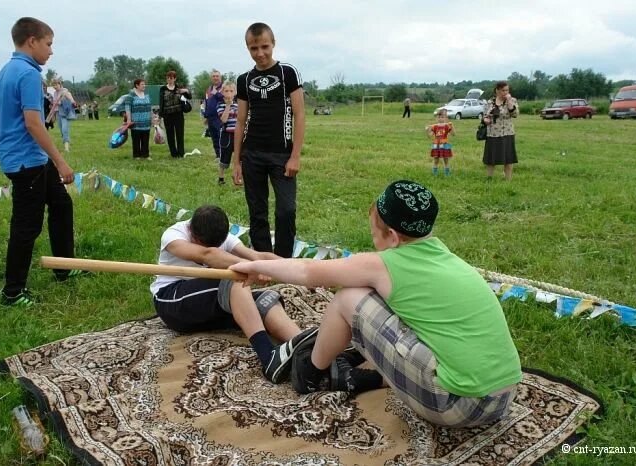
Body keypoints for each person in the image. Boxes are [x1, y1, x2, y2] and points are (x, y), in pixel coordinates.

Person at [231, 180, 522, 428]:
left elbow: (309, 271)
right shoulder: (446, 258)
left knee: (348, 298)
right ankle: (349, 368)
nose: (372, 243)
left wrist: (259, 267)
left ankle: (309, 372)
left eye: (374, 234)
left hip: (456, 405)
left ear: (393, 237)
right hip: (502, 401)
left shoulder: (384, 264)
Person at [151, 204, 318, 383]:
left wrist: (302, 274)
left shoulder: (223, 238)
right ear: (191, 230)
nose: (215, 246)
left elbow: (258, 257)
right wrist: (249, 268)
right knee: (235, 278)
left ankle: (313, 356)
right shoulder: (174, 235)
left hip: (208, 306)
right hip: (173, 302)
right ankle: (268, 356)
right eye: (203, 242)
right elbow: (208, 254)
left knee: (265, 300)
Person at [0, 17, 82, 306]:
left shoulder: (5, 71)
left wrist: (8, 133)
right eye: (49, 44)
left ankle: (63, 268)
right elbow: (34, 124)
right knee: (27, 225)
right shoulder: (27, 74)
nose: (51, 51)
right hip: (28, 162)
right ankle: (13, 292)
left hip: (31, 159)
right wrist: (61, 162)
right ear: (32, 41)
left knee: (62, 205)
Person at [232, 22, 305, 258]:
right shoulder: (244, 79)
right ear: (247, 48)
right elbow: (240, 121)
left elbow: (299, 114)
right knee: (257, 211)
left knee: (286, 210)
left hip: (282, 155)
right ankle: (263, 260)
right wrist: (237, 161)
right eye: (254, 48)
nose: (260, 53)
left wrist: (295, 156)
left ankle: (284, 261)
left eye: (264, 46)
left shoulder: (288, 73)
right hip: (252, 154)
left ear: (273, 44)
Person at [482, 80, 519, 180]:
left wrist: (509, 101)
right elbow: (485, 116)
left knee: (508, 158)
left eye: (507, 90)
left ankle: (508, 179)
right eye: (503, 90)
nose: (506, 92)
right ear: (497, 91)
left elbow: (515, 114)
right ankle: (489, 178)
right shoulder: (490, 102)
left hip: (507, 133)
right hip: (493, 133)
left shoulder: (512, 100)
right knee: (491, 158)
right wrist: (485, 120)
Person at [158, 70, 191, 158]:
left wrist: (186, 91)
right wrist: (160, 115)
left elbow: (189, 97)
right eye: (168, 78)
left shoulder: (179, 88)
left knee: (180, 134)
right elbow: (161, 102)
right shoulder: (163, 89)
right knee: (170, 135)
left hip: (178, 114)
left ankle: (181, 153)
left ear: (175, 79)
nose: (169, 80)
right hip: (167, 115)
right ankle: (173, 153)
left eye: (171, 78)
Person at [216, 81, 237, 185]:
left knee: (240, 157)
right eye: (226, 91)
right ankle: (221, 178)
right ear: (222, 92)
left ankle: (238, 177)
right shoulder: (220, 105)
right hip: (227, 135)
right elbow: (223, 120)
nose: (229, 93)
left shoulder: (239, 105)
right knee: (225, 156)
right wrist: (228, 105)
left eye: (231, 91)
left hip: (238, 135)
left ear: (235, 92)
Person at [124, 78, 152, 159]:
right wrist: (129, 119)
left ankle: (145, 155)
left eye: (144, 84)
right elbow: (127, 108)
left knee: (145, 139)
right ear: (137, 85)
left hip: (146, 122)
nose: (144, 86)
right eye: (142, 84)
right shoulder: (131, 95)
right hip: (135, 123)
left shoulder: (146, 95)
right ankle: (136, 155)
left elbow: (150, 107)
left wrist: (152, 118)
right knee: (136, 140)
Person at [48, 78, 76, 152]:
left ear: (60, 84)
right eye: (53, 85)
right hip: (58, 113)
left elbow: (71, 99)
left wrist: (70, 101)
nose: (55, 86)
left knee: (64, 130)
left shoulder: (64, 91)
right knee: (61, 130)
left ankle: (66, 148)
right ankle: (66, 143)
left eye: (56, 84)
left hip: (65, 113)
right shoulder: (54, 93)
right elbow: (54, 104)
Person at [425, 108, 455, 176]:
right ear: (436, 118)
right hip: (436, 145)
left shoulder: (447, 126)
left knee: (446, 160)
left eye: (442, 117)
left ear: (445, 118)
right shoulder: (434, 127)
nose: (440, 118)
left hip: (445, 145)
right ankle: (434, 173)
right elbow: (429, 136)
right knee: (436, 160)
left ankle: (447, 173)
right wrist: (427, 131)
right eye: (439, 117)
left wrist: (452, 126)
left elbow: (453, 134)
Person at [203, 69, 223, 158]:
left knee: (220, 136)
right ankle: (217, 155)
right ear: (211, 78)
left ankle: (223, 155)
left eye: (217, 76)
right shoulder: (208, 89)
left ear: (220, 77)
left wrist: (216, 92)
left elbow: (225, 99)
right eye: (213, 76)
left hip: (220, 116)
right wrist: (206, 116)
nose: (215, 78)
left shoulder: (224, 87)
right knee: (214, 137)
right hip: (210, 117)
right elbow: (207, 102)